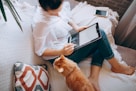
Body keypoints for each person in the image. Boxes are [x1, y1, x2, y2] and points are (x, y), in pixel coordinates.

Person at [32, 0, 135, 91]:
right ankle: (117, 66)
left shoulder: (59, 4)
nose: (59, 15)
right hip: (61, 56)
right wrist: (61, 51)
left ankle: (93, 78)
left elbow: (66, 17)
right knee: (101, 35)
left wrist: (77, 28)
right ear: (45, 9)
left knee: (99, 39)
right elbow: (40, 51)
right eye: (55, 13)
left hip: (69, 42)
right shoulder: (40, 24)